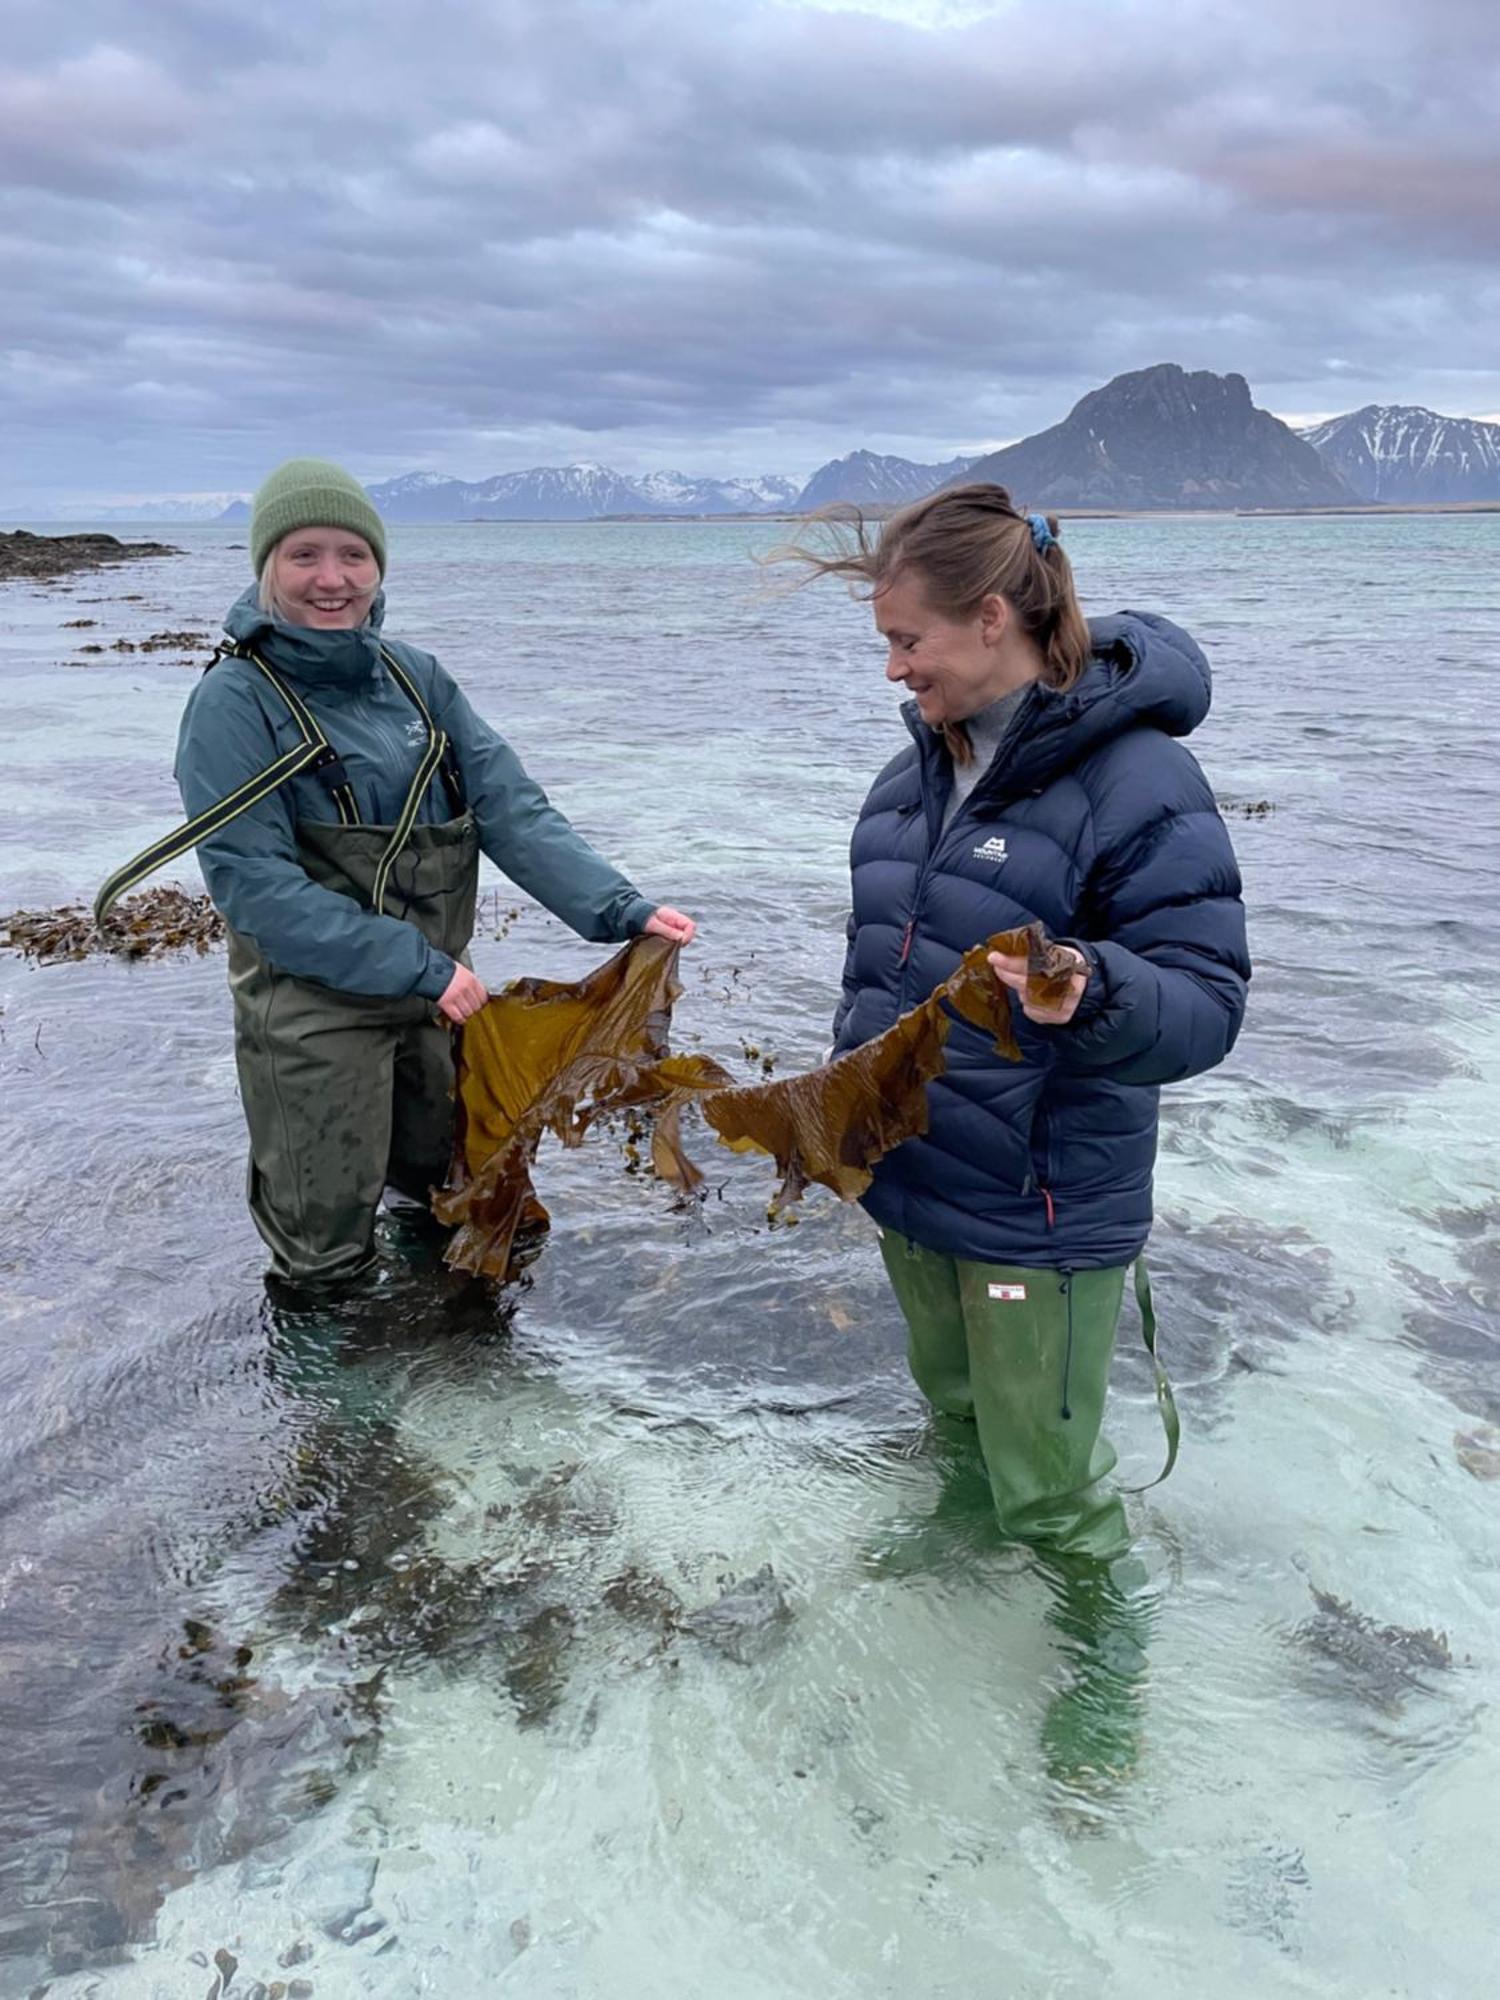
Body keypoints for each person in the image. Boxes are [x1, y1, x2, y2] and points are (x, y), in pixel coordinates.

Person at [781, 484, 1250, 1780]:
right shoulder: (904, 782)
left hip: (1044, 1211)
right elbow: (875, 976)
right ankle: (963, 1519)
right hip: (919, 1190)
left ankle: (1106, 1639)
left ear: (991, 618)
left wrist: (1091, 988)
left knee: (1051, 1473)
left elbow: (1209, 1007)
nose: (892, 669)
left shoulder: (1140, 778)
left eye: (907, 640)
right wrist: (835, 1122)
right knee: (955, 1412)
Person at [98, 458, 694, 1292]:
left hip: (437, 1002)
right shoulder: (234, 704)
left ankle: (447, 1369)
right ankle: (330, 1412)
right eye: (304, 555)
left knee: (444, 1202)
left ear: (380, 566)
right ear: (266, 565)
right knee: (326, 1254)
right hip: (313, 1013)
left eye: (353, 554)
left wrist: (620, 908)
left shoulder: (418, 680)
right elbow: (256, 889)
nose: (332, 579)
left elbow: (511, 807)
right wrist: (415, 964)